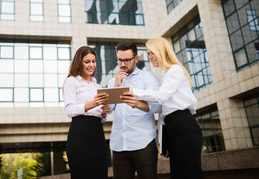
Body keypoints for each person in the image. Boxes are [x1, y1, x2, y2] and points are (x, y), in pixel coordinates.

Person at [121, 38, 204, 179]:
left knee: (190, 173)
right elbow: (163, 112)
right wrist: (163, 142)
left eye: (152, 52)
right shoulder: (165, 75)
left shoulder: (175, 70)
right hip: (174, 129)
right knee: (180, 174)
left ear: (161, 51)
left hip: (184, 126)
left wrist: (133, 91)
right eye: (148, 53)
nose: (150, 57)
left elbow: (161, 96)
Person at [108, 42, 161, 179]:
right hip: (119, 146)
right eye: (120, 60)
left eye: (127, 60)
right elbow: (107, 110)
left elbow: (159, 106)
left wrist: (137, 104)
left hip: (143, 143)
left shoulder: (148, 77)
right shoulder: (112, 81)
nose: (122, 64)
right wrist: (116, 86)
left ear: (136, 59)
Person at [63, 46, 110, 179]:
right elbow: (69, 110)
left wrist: (104, 113)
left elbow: (99, 116)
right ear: (79, 62)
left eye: (94, 61)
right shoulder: (71, 81)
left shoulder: (98, 86)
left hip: (98, 135)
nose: (91, 65)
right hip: (80, 136)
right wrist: (93, 104)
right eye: (87, 61)